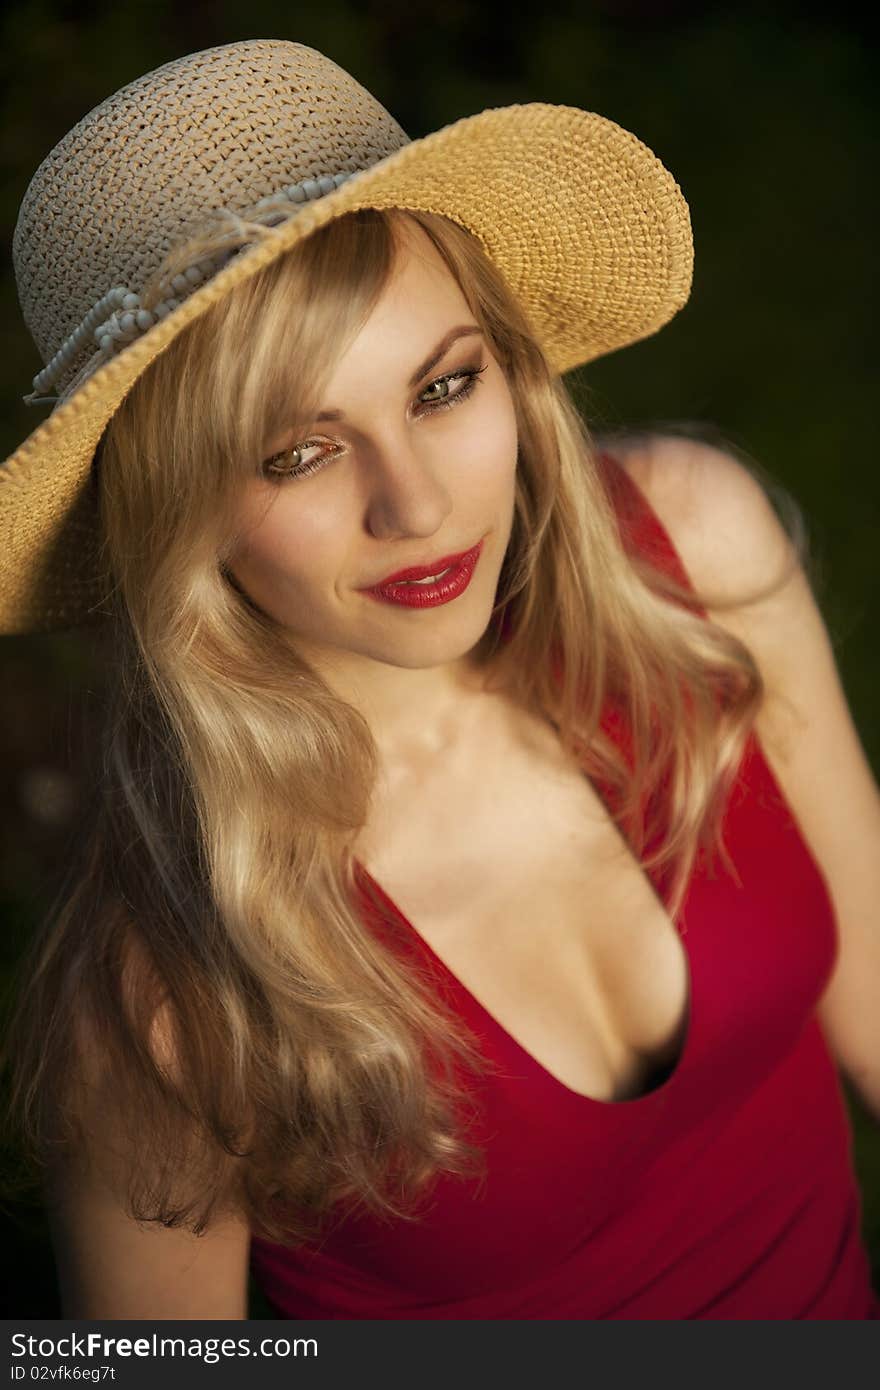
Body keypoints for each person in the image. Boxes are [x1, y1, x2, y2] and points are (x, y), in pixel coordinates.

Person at [1, 38, 877, 1321]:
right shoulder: (172, 1003)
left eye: (444, 386)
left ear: (512, 367)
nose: (416, 506)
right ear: (181, 513)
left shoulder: (694, 554)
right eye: (298, 453)